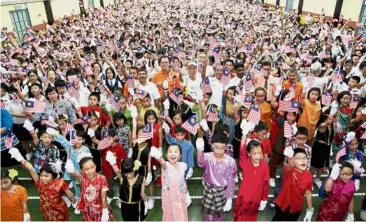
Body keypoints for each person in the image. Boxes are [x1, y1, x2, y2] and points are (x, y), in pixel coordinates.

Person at [8, 147, 77, 221]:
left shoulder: (60, 182)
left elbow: (70, 194)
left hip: (59, 210)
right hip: (46, 209)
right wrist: (20, 158)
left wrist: (75, 203)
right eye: (41, 175)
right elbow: (31, 169)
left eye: (46, 176)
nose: (43, 178)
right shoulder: (39, 182)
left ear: (53, 175)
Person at [196, 133, 237, 221]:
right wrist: (200, 150)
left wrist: (229, 198)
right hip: (209, 191)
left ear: (226, 147)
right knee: (207, 217)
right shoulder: (207, 157)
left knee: (220, 217)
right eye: (216, 147)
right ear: (212, 145)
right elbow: (200, 163)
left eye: (222, 147)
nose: (219, 150)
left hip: (222, 192)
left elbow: (231, 180)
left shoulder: (230, 161)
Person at [64, 153, 115, 221]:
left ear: (95, 166)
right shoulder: (82, 179)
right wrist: (72, 170)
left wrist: (105, 211)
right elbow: (76, 175)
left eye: (92, 167)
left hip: (101, 208)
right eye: (87, 169)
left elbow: (103, 198)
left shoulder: (102, 178)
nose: (90, 171)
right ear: (82, 171)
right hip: (88, 209)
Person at [272, 148, 313, 221]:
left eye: (304, 158)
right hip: (283, 203)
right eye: (299, 158)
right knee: (278, 219)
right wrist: (290, 157)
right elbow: (290, 164)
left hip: (296, 207)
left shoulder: (309, 175)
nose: (303, 160)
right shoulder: (289, 170)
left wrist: (310, 210)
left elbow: (308, 193)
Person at [234, 140, 269, 221]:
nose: (257, 156)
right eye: (254, 153)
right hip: (244, 197)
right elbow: (242, 153)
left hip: (256, 198)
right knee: (240, 217)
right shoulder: (244, 163)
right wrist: (243, 140)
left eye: (260, 153)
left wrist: (264, 199)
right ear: (249, 154)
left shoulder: (265, 166)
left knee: (251, 217)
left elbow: (266, 183)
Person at [151, 144, 189, 221]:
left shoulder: (183, 166)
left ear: (180, 156)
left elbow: (183, 180)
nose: (172, 154)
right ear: (167, 155)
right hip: (169, 196)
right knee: (169, 216)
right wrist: (160, 158)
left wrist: (186, 192)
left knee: (181, 214)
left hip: (180, 196)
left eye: (176, 152)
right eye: (170, 151)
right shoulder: (166, 166)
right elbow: (163, 164)